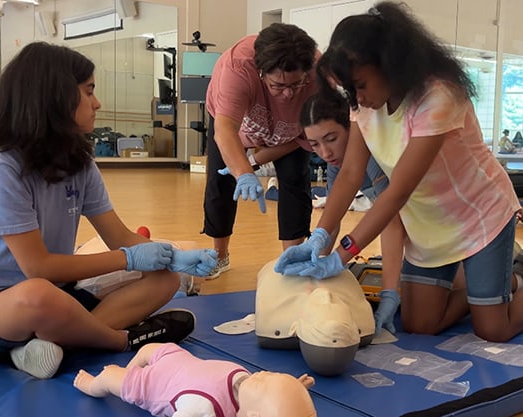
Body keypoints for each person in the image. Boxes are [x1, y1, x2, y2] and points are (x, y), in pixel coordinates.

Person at [0, 42, 217, 380]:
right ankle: (120, 340)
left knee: (165, 280)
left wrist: (170, 257)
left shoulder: (79, 162)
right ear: (54, 97)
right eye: (88, 92)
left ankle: (54, 345)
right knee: (37, 294)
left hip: (57, 297)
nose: (97, 103)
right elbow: (39, 268)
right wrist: (129, 259)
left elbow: (119, 236)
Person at [276, 2, 523, 343]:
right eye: (351, 89)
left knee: (493, 329)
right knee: (420, 323)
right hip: (429, 223)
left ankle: (504, 283)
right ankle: (494, 285)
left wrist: (343, 254)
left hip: (478, 216)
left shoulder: (439, 96)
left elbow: (398, 191)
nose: (358, 97)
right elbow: (350, 173)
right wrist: (319, 238)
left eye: (361, 85)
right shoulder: (363, 102)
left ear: (389, 65)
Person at [202, 23, 319, 278]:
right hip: (234, 124)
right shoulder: (238, 69)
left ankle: (293, 259)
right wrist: (243, 172)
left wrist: (254, 160)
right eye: (278, 85)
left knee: (296, 181)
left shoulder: (319, 75)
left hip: (290, 130)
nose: (288, 94)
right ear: (261, 72)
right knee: (220, 181)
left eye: (296, 84)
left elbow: (302, 138)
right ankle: (220, 256)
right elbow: (224, 130)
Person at [299, 91, 403, 334]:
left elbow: (391, 218)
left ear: (352, 127)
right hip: (407, 225)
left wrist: (390, 289)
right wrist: (315, 256)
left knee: (421, 315)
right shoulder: (336, 163)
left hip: (434, 225)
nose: (325, 153)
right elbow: (334, 216)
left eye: (331, 138)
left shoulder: (373, 154)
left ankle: (510, 274)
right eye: (315, 145)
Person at [73, 342, 317, 417]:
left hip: (155, 383)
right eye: (273, 375)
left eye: (266, 382)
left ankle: (92, 386)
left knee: (110, 376)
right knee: (148, 350)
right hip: (179, 359)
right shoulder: (249, 388)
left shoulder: (204, 408)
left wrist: (282, 394)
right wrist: (289, 389)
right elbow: (272, 403)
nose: (264, 374)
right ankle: (130, 367)